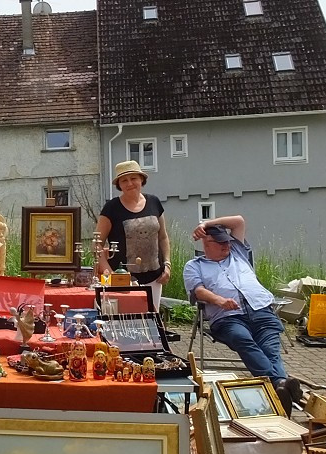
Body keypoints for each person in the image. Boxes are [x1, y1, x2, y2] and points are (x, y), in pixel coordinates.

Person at [183, 215, 294, 413]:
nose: (226, 245)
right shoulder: (194, 266)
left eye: (226, 241)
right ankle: (280, 385)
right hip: (228, 317)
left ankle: (278, 388)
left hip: (260, 309)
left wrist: (205, 224)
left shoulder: (237, 252)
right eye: (220, 243)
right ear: (206, 244)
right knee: (243, 339)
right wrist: (220, 300)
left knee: (271, 349)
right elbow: (198, 291)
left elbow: (239, 221)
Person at [96, 160, 171, 309]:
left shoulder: (154, 202)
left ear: (141, 179)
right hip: (122, 281)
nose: (129, 183)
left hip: (154, 277)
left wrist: (167, 264)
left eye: (133, 178)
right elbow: (97, 244)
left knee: (151, 320)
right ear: (119, 185)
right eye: (124, 180)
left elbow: (162, 236)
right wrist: (110, 275)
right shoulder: (111, 208)